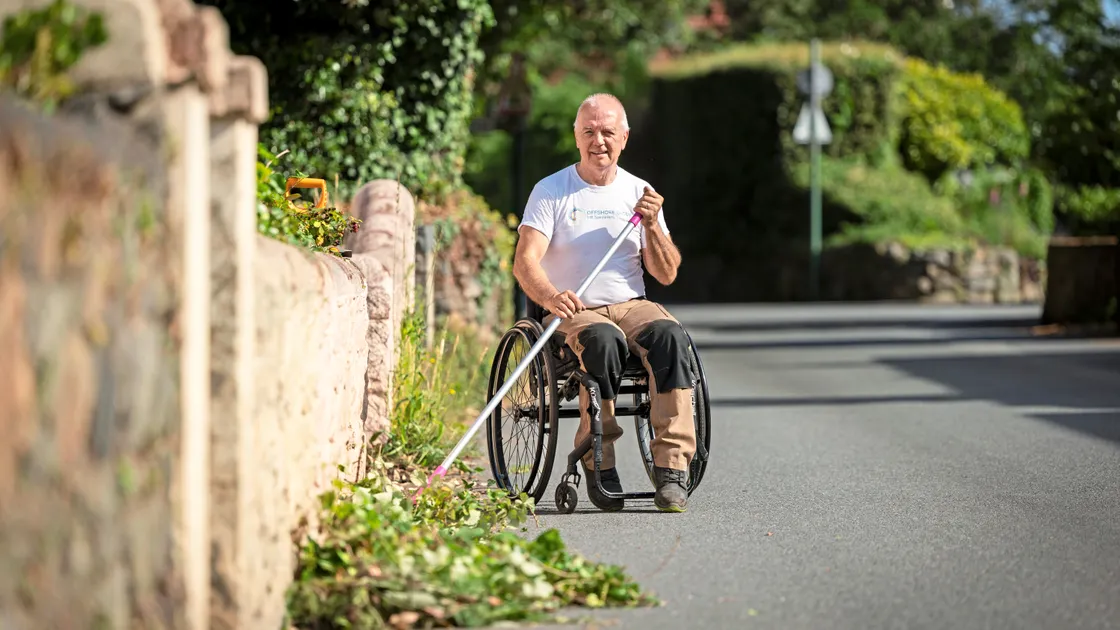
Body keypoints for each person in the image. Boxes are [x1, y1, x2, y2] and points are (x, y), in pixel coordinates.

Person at [513, 92, 697, 513]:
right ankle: (599, 459)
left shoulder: (640, 193)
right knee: (603, 341)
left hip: (632, 304)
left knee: (670, 335)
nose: (599, 141)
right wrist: (550, 296)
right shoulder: (552, 191)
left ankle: (671, 469)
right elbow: (525, 263)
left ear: (624, 138)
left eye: (608, 132)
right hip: (574, 310)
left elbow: (666, 273)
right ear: (576, 137)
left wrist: (652, 225)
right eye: (589, 132)